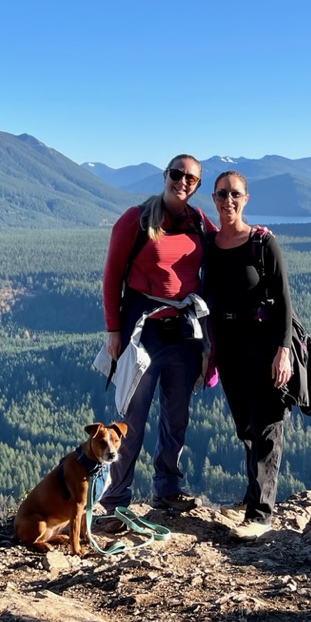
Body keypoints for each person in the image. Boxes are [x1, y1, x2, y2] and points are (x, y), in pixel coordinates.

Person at [97, 154, 214, 520]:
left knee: (177, 415)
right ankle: (116, 498)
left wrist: (257, 236)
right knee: (132, 416)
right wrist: (113, 330)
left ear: (197, 186)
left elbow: (225, 244)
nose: (183, 182)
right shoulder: (137, 219)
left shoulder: (197, 222)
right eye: (177, 174)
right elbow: (112, 276)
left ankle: (167, 489)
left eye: (191, 179)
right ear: (165, 175)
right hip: (141, 330)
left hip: (183, 331)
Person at [204, 170, 293, 540]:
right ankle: (252, 496)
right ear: (213, 199)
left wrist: (283, 350)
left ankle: (260, 514)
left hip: (263, 341)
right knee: (245, 426)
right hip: (227, 343)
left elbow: (285, 299)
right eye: (222, 194)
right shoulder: (209, 244)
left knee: (267, 424)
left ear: (246, 198)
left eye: (235, 194)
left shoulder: (262, 242)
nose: (229, 201)